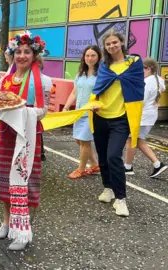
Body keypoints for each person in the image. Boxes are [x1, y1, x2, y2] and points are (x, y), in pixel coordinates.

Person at [0, 31, 51, 251]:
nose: (22, 55)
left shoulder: (44, 81)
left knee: (25, 182)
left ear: (35, 55)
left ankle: (24, 230)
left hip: (28, 136)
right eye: (18, 51)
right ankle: (6, 223)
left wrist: (20, 112)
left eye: (27, 51)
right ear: (12, 55)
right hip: (7, 135)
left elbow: (43, 111)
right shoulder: (5, 80)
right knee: (6, 179)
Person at [91, 30, 145, 217]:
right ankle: (108, 188)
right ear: (105, 48)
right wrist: (94, 103)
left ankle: (121, 199)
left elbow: (138, 86)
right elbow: (98, 88)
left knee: (114, 156)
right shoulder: (105, 66)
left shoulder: (134, 63)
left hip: (121, 118)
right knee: (103, 155)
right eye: (108, 44)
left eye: (115, 42)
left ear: (121, 43)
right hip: (100, 116)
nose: (112, 46)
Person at [62, 45, 102, 179]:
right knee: (78, 140)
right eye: (87, 55)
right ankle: (95, 164)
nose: (89, 58)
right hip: (79, 112)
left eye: (93, 55)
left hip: (91, 113)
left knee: (85, 141)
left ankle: (81, 169)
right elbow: (74, 92)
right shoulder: (80, 74)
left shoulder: (101, 75)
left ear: (98, 57)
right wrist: (66, 107)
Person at [124, 58, 168, 177]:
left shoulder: (147, 83)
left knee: (132, 140)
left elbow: (140, 101)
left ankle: (129, 167)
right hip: (149, 116)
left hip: (142, 116)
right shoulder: (157, 80)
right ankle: (157, 164)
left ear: (148, 69)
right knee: (137, 140)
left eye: (140, 69)